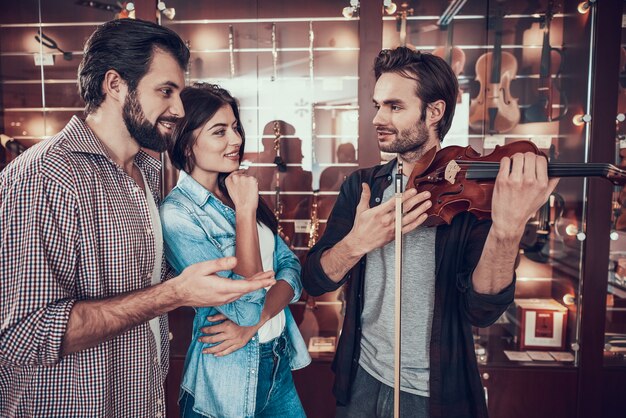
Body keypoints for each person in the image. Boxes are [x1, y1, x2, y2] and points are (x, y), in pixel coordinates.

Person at [0, 19, 275, 417]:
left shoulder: (146, 171)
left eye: (179, 93)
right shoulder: (44, 176)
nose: (178, 109)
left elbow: (145, 286)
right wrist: (174, 294)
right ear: (115, 85)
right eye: (165, 91)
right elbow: (22, 334)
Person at [302, 47, 558, 418]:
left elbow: (482, 310)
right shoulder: (361, 187)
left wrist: (507, 229)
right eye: (377, 105)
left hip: (433, 393)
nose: (377, 117)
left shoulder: (473, 196)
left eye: (394, 106)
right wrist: (358, 242)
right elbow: (315, 279)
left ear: (434, 111)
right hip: (361, 381)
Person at [160, 83, 311, 418]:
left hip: (276, 358)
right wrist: (245, 211)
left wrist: (257, 321)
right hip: (227, 372)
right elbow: (242, 308)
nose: (236, 139)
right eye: (219, 131)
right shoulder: (178, 214)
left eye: (235, 127)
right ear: (187, 143)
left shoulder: (235, 189)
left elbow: (291, 269)